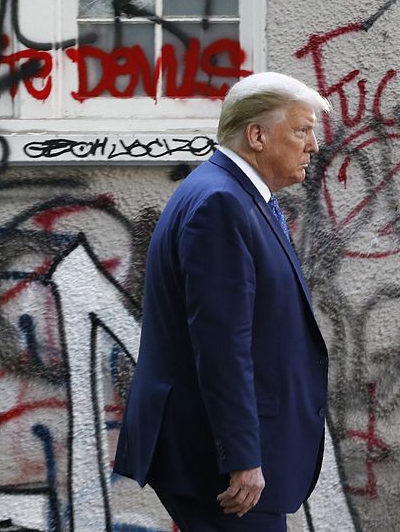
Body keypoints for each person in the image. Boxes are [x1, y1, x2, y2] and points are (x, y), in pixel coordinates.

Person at [113, 72, 331, 532]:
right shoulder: (220, 203)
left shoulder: (235, 194)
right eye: (301, 130)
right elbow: (220, 343)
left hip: (229, 451)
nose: (313, 145)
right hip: (225, 465)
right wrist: (242, 457)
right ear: (257, 135)